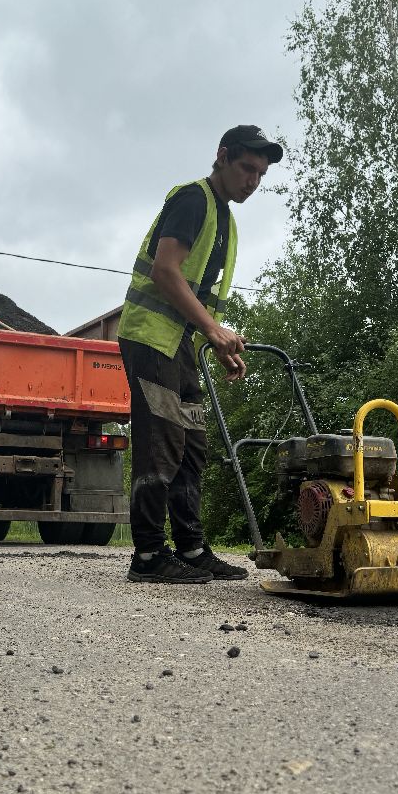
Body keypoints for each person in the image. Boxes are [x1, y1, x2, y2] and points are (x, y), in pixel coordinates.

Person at [116, 124, 283, 584]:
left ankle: (190, 547)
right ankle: (148, 555)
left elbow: (196, 295)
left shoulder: (224, 218)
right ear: (222, 157)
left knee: (192, 447)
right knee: (161, 443)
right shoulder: (193, 199)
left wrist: (214, 340)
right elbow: (166, 272)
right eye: (247, 168)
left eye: (261, 174)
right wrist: (213, 329)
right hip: (151, 339)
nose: (253, 180)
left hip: (180, 345)